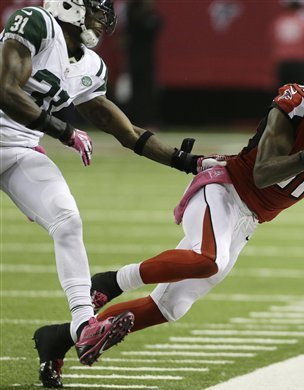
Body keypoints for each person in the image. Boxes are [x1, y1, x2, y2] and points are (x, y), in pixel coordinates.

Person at [35, 50, 304, 388]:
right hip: (225, 187)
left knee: (170, 307)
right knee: (207, 258)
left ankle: (56, 339)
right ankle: (110, 281)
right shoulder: (296, 103)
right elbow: (263, 173)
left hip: (248, 220)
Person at [0, 0, 206, 386]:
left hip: (19, 148)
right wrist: (63, 131)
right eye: (95, 8)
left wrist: (186, 162)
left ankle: (82, 326)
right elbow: (5, 88)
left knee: (67, 221)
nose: (103, 18)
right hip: (17, 137)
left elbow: (125, 131)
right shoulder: (37, 23)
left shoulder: (90, 65)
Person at [270, 0, 304, 87]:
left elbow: (272, 41)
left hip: (283, 63)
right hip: (300, 62)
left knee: (283, 92)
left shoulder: (279, 23)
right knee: (301, 91)